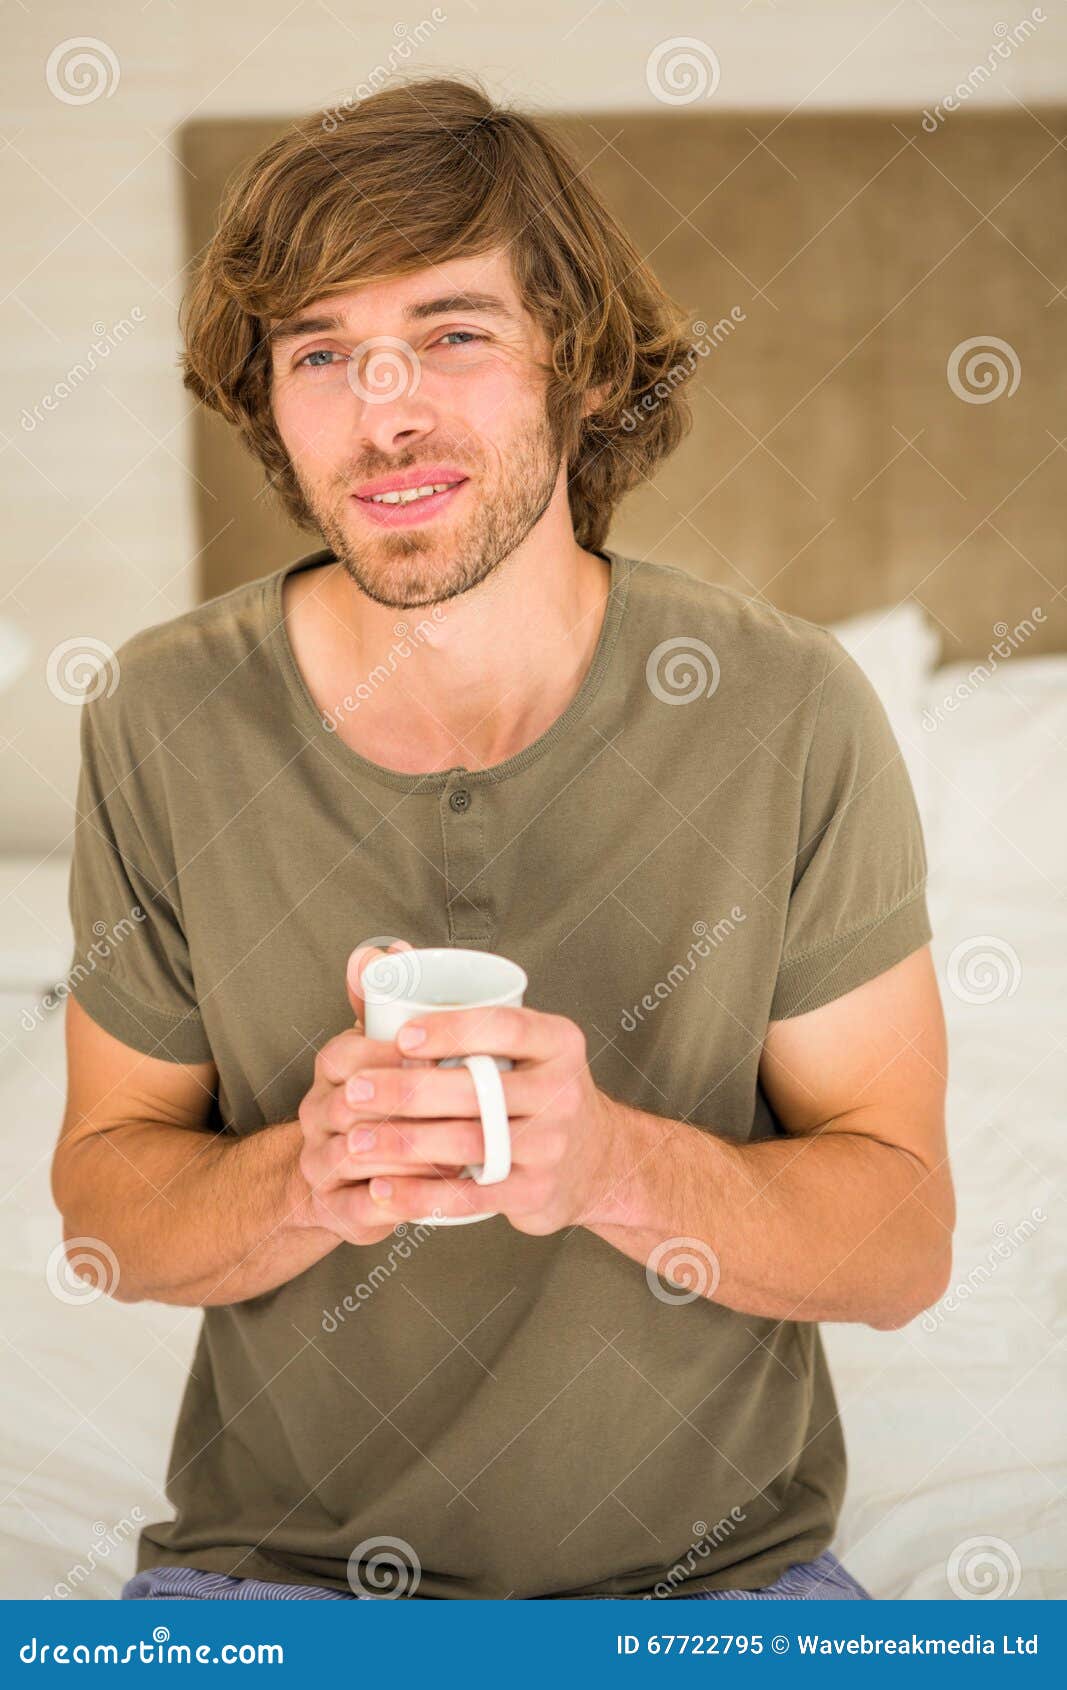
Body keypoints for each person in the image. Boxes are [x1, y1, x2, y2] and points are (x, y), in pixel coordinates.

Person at [53, 76, 953, 1603]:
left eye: (454, 332)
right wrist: (301, 1179)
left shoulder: (786, 706)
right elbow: (104, 1211)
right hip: (275, 1588)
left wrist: (610, 1165)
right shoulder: (162, 713)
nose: (386, 406)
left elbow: (903, 1239)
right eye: (323, 351)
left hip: (719, 1594)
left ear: (579, 367)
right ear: (268, 401)